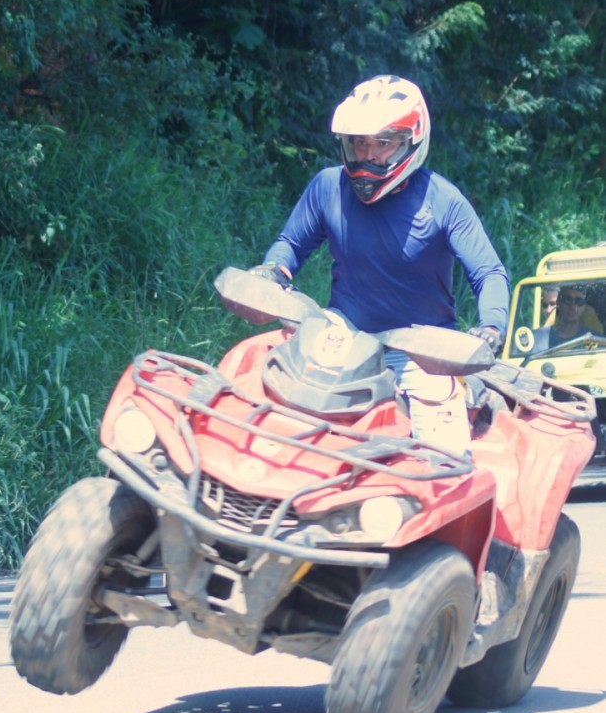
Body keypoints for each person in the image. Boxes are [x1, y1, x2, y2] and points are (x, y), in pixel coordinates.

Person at [250, 75, 509, 455]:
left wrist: (491, 327)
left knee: (445, 459)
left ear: (412, 141)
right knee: (269, 403)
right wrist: (273, 270)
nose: (368, 155)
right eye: (359, 142)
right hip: (342, 337)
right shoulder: (328, 187)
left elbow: (488, 272)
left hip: (424, 350)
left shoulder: (443, 200)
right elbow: (290, 244)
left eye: (382, 143)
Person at [531, 284, 601, 351]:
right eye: (568, 299)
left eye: (579, 301)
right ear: (559, 302)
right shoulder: (538, 338)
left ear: (585, 307)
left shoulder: (595, 339)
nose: (572, 306)